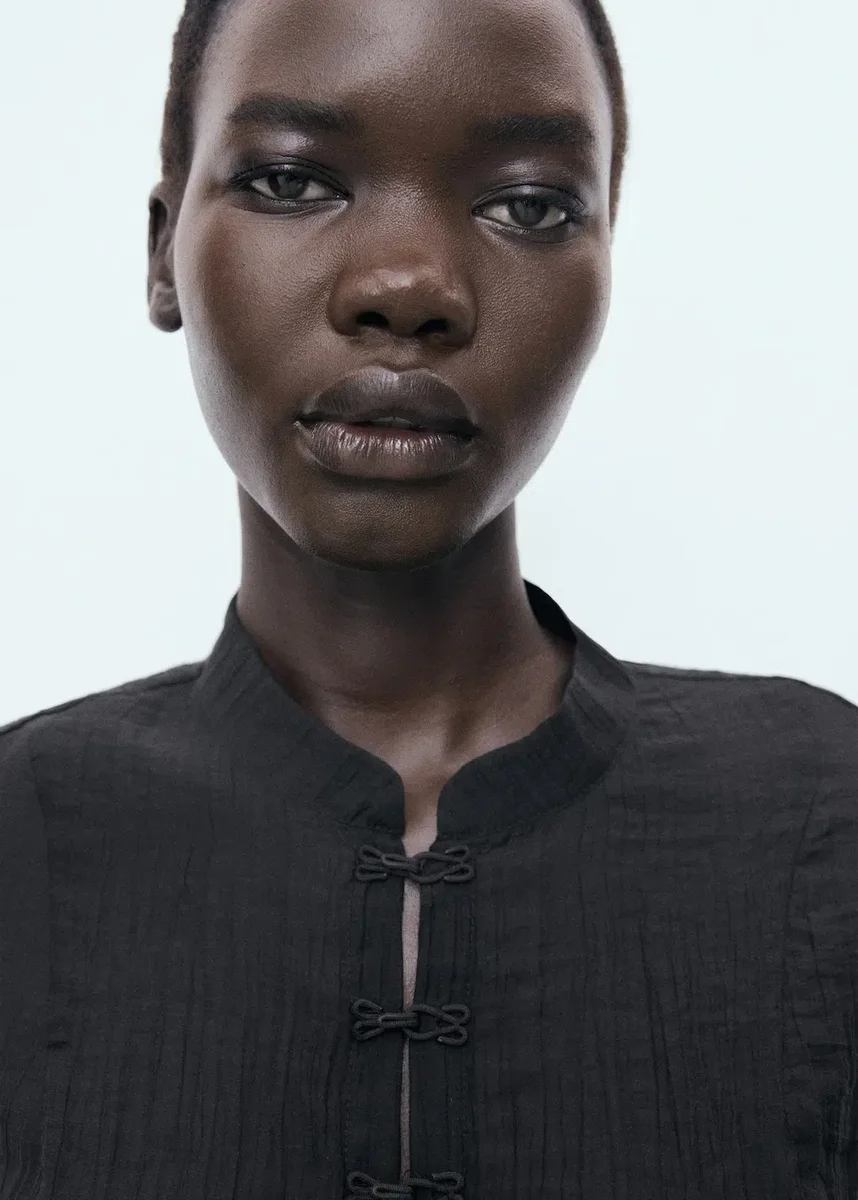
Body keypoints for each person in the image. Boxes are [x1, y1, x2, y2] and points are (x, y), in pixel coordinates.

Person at [1, 0, 856, 1195]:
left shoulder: (827, 818)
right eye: (292, 180)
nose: (408, 286)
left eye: (531, 204)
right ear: (163, 253)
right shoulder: (23, 836)